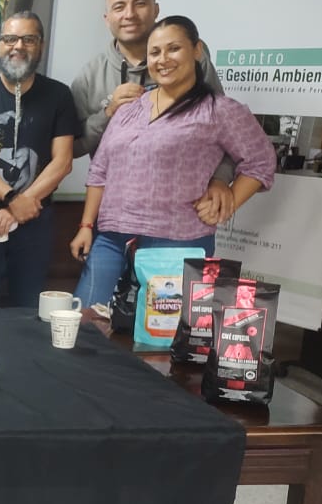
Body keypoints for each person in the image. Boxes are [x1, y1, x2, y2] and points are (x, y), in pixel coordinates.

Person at [70, 16, 276, 306]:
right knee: (87, 323)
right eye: (155, 52)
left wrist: (229, 197)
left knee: (159, 341)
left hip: (178, 241)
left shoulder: (219, 110)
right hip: (112, 238)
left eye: (174, 48)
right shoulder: (130, 109)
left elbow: (261, 161)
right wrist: (87, 225)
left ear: (197, 50)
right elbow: (100, 170)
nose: (163, 59)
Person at [70, 0, 233, 222]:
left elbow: (225, 130)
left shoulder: (192, 60)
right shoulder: (90, 76)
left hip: (182, 213)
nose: (130, 14)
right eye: (119, 7)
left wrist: (221, 179)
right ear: (107, 18)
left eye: (140, 3)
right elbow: (72, 148)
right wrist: (108, 113)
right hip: (114, 214)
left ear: (156, 9)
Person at [0, 12, 80, 309]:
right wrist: (11, 197)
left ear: (41, 45)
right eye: (10, 39)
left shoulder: (59, 95)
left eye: (28, 39)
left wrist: (20, 206)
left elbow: (62, 162)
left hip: (34, 221)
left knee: (28, 310)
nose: (18, 46)